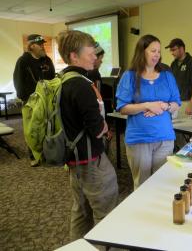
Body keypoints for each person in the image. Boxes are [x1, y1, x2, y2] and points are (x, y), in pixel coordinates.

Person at [56, 30, 118, 241]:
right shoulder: (82, 85)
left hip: (73, 160)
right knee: (107, 213)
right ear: (74, 56)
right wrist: (104, 127)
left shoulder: (62, 80)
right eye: (91, 53)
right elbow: (97, 128)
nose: (95, 57)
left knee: (80, 211)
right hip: (92, 161)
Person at [116, 34, 181, 190]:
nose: (157, 54)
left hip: (165, 139)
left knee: (163, 184)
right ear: (142, 51)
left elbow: (176, 103)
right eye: (153, 50)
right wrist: (147, 105)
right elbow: (122, 107)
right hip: (140, 139)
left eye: (159, 51)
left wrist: (164, 106)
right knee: (142, 186)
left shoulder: (167, 75)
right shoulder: (129, 76)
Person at [13, 34, 55, 166]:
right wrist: (26, 99)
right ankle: (33, 156)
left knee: (47, 126)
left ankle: (47, 153)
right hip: (31, 101)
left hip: (47, 100)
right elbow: (18, 81)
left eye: (43, 43)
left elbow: (53, 78)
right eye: (40, 44)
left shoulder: (47, 60)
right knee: (32, 129)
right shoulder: (23, 61)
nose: (43, 46)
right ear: (31, 46)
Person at [166, 38, 192, 117]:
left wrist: (191, 105)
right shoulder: (173, 64)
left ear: (181, 49)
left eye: (174, 50)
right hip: (175, 103)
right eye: (171, 50)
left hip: (188, 102)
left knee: (190, 129)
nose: (172, 53)